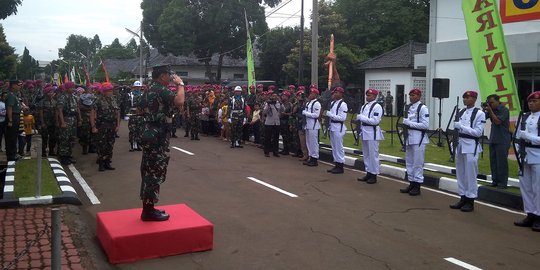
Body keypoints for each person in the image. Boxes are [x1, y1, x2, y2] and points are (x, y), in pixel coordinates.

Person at [138, 65, 185, 222]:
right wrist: (180, 84)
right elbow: (179, 100)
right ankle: (148, 211)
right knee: (154, 171)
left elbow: (140, 107)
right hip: (158, 134)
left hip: (149, 132)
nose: (170, 78)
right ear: (162, 76)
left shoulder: (149, 89)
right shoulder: (160, 89)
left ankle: (149, 207)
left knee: (148, 169)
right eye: (169, 75)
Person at [450, 90, 486, 212]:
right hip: (460, 144)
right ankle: (462, 196)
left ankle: (470, 200)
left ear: (474, 99)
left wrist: (462, 127)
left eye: (468, 98)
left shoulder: (479, 113)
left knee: (470, 174)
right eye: (464, 98)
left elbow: (478, 132)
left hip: (471, 145)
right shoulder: (462, 111)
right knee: (460, 173)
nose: (465, 100)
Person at [514, 91, 540, 231]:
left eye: (535, 101)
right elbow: (518, 136)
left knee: (538, 187)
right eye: (530, 101)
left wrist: (529, 137)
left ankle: (539, 216)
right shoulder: (524, 116)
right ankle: (530, 214)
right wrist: (519, 149)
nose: (531, 103)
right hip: (525, 155)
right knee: (526, 187)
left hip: (538, 154)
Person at [400, 88, 429, 195]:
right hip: (409, 137)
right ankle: (411, 183)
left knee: (417, 163)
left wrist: (409, 123)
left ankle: (417, 185)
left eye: (413, 95)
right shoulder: (409, 107)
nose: (411, 97)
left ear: (419, 96)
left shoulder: (423, 108)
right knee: (409, 162)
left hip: (418, 138)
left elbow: (425, 125)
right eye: (410, 95)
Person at [357, 88, 384, 184]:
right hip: (364, 131)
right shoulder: (364, 106)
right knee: (366, 154)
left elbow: (375, 121)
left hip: (372, 132)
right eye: (367, 95)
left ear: (375, 96)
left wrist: (362, 118)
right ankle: (368, 172)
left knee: (373, 155)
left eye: (370, 95)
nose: (367, 97)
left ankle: (374, 174)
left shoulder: (377, 107)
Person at [483, 94, 511, 189]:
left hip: (502, 139)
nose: (490, 105)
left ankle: (503, 183)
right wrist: (484, 109)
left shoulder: (504, 110)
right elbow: (483, 118)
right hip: (493, 138)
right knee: (493, 161)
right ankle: (495, 181)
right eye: (489, 103)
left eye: (492, 103)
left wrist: (490, 111)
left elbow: (497, 121)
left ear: (498, 101)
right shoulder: (492, 110)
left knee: (501, 162)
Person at [91, 83, 120, 171]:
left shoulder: (113, 99)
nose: (110, 92)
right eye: (108, 91)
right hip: (102, 125)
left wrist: (118, 125)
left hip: (112, 125)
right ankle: (101, 163)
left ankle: (108, 162)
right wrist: (93, 126)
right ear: (103, 91)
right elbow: (92, 113)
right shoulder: (98, 100)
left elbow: (117, 112)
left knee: (110, 144)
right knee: (101, 145)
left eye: (111, 90)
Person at [56, 82, 81, 165]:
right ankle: (63, 157)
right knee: (64, 139)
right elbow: (59, 110)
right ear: (66, 88)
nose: (73, 89)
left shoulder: (74, 97)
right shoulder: (62, 97)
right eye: (71, 87)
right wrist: (62, 122)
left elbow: (77, 109)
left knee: (71, 138)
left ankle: (68, 155)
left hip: (73, 119)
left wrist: (79, 119)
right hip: (66, 118)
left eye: (74, 87)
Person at [325, 87, 348, 174]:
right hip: (332, 126)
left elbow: (342, 118)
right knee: (334, 147)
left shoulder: (343, 104)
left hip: (338, 127)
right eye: (334, 93)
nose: (334, 94)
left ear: (341, 94)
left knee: (339, 147)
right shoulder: (332, 103)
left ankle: (340, 165)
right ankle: (336, 164)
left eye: (337, 93)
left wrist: (330, 114)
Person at [302, 87, 321, 166]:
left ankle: (314, 158)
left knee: (314, 142)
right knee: (308, 142)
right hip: (308, 124)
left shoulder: (317, 103)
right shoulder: (308, 103)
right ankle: (310, 157)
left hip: (313, 125)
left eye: (312, 93)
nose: (310, 95)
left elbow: (316, 115)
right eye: (310, 93)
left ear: (316, 95)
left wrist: (306, 113)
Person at [5, 80, 23, 161]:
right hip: (13, 116)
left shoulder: (15, 95)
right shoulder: (11, 95)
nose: (20, 86)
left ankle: (14, 153)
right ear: (13, 86)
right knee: (11, 137)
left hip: (16, 116)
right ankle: (11, 156)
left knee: (14, 136)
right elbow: (9, 108)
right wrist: (10, 120)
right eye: (18, 85)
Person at [39, 85, 57, 157]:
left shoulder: (54, 101)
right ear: (46, 93)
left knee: (53, 137)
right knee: (44, 137)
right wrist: (42, 123)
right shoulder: (42, 102)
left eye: (52, 92)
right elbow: (41, 113)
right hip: (45, 122)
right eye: (49, 92)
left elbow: (56, 111)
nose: (51, 93)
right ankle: (43, 152)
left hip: (53, 122)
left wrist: (56, 121)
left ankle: (51, 150)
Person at [263, 92, 283, 156]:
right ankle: (267, 151)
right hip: (269, 122)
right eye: (273, 96)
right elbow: (264, 112)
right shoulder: (267, 103)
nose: (274, 97)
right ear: (271, 97)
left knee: (276, 138)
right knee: (268, 137)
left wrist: (281, 102)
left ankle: (275, 151)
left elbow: (283, 110)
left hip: (277, 122)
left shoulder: (278, 103)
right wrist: (268, 105)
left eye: (276, 96)